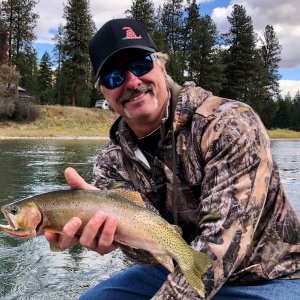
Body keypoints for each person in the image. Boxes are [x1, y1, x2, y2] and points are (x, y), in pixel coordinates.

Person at [45, 18, 300, 299]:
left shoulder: (229, 124)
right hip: (177, 267)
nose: (132, 82)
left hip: (269, 277)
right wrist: (112, 232)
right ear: (105, 92)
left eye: (141, 65)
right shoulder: (111, 162)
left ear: (162, 66)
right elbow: (150, 251)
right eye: (114, 77)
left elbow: (221, 245)